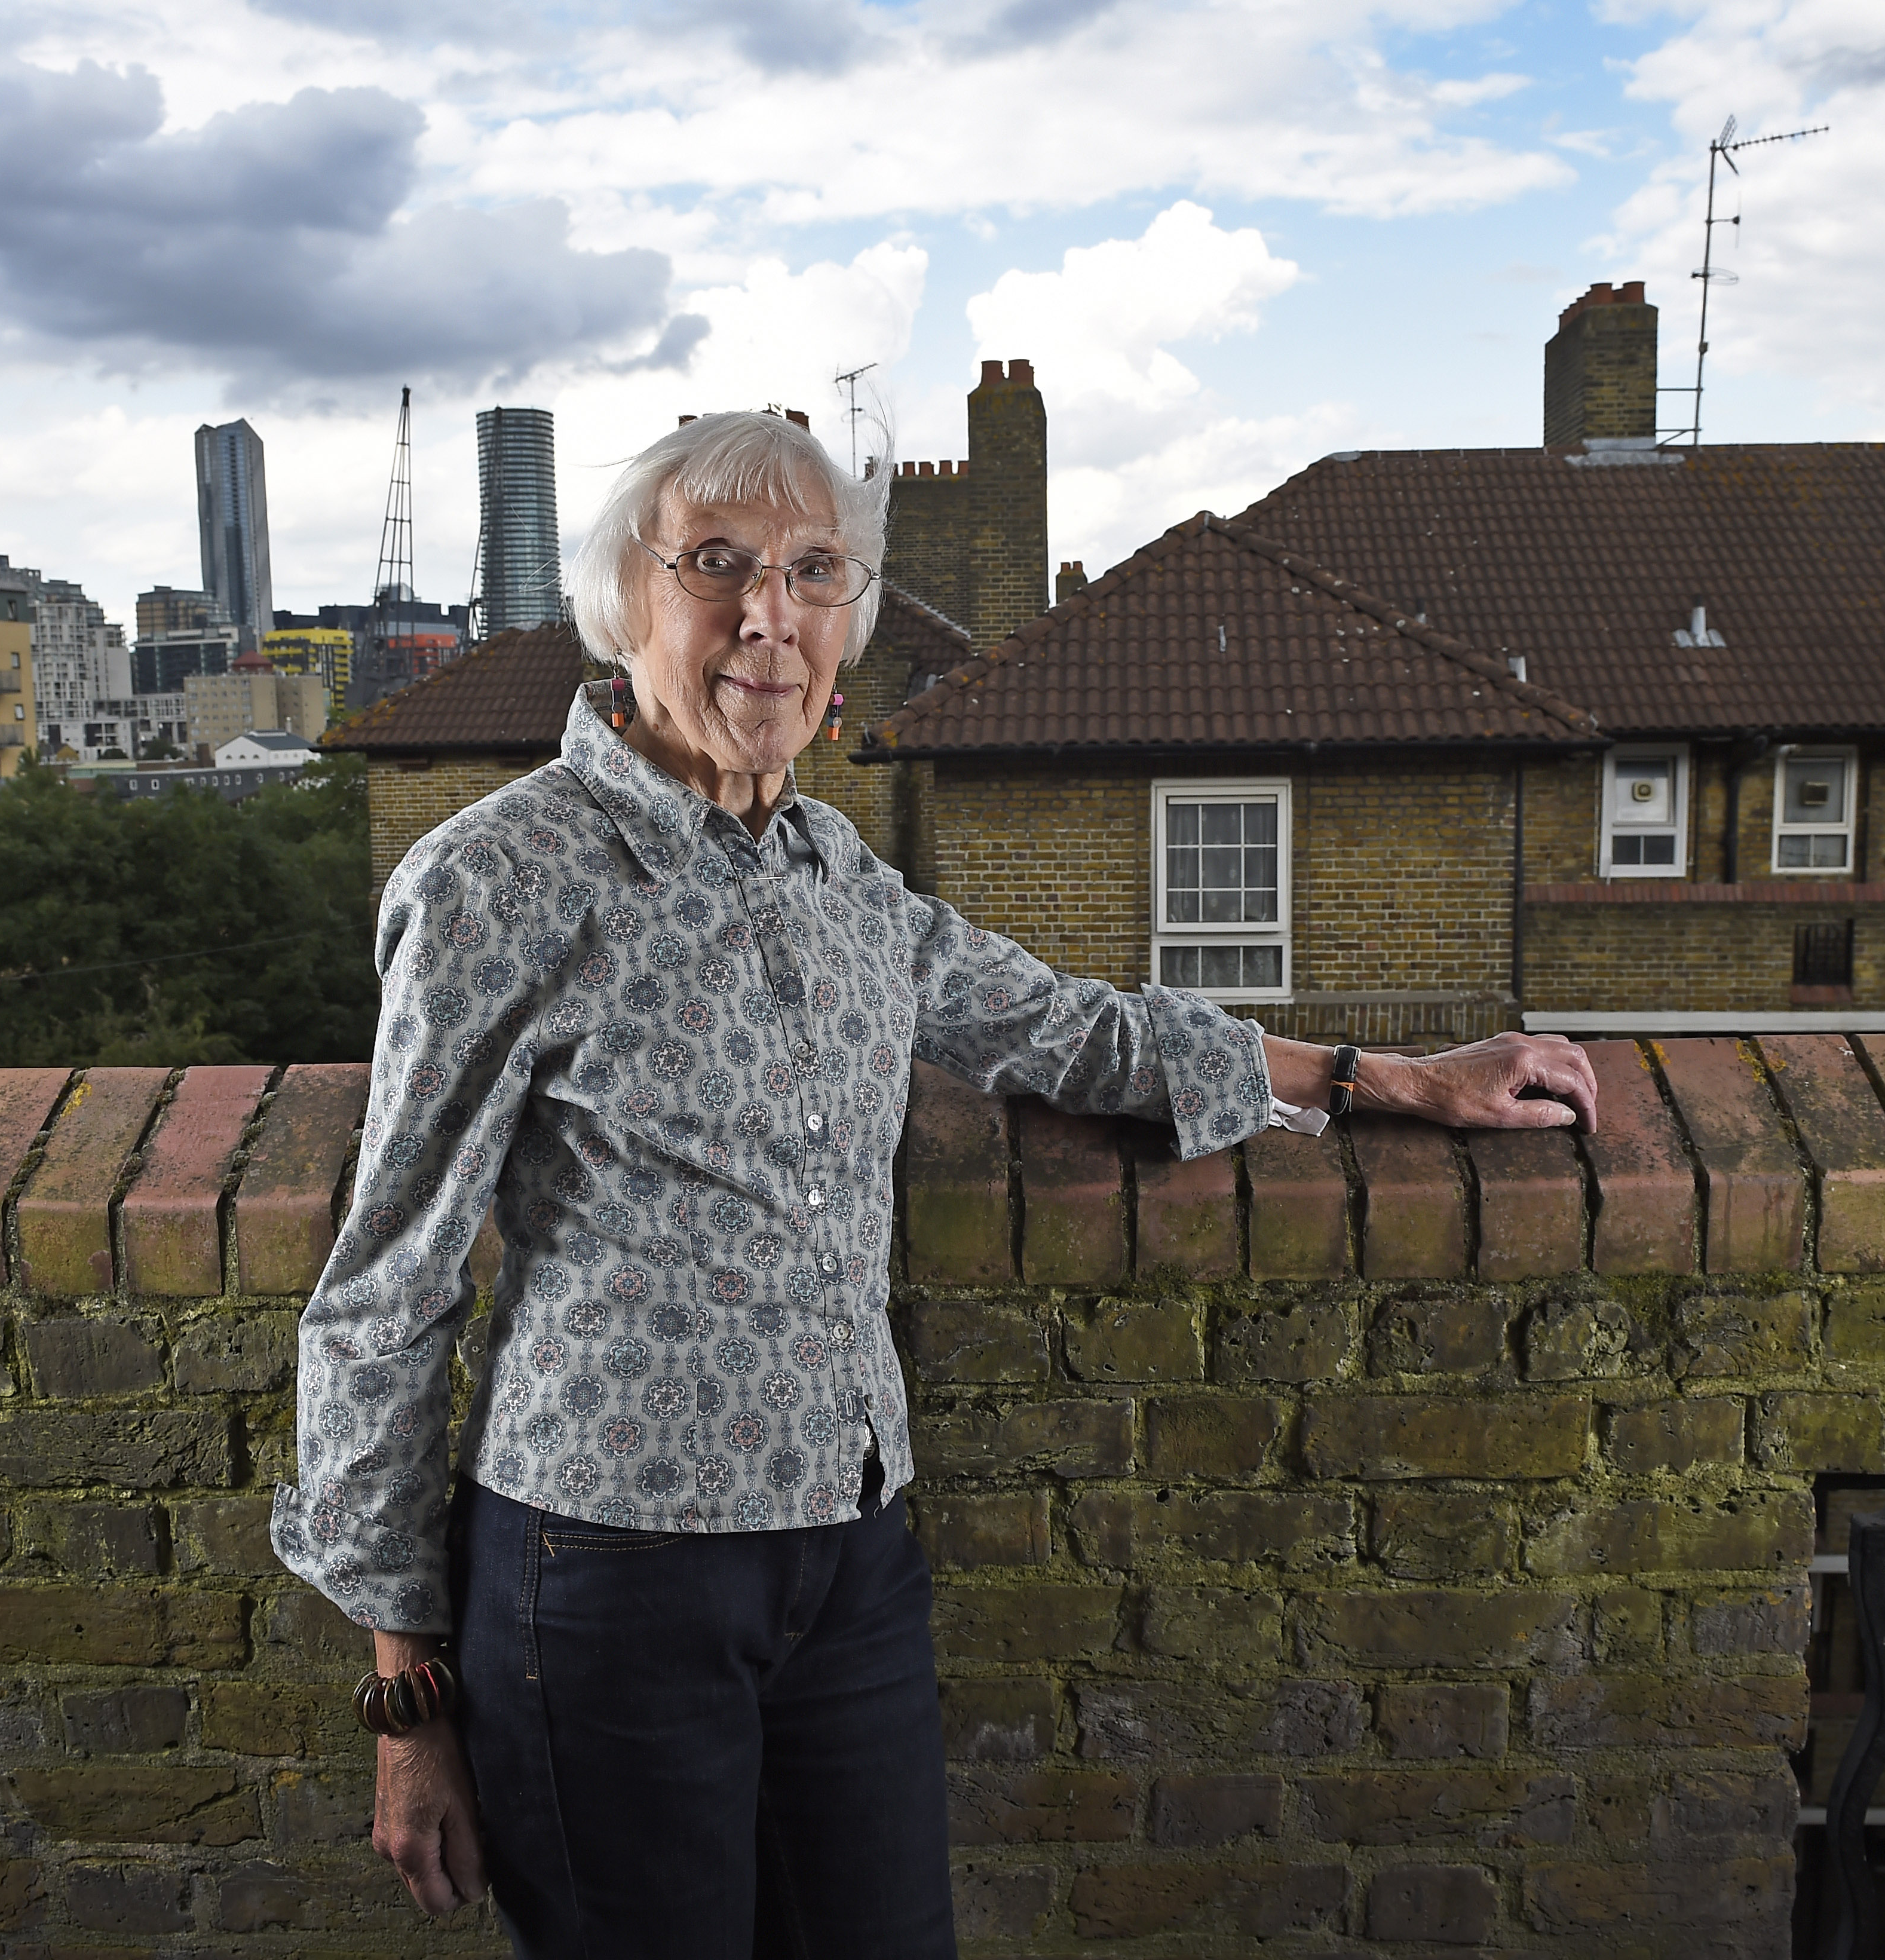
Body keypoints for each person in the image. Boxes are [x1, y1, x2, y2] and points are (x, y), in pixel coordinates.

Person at [272, 410, 1599, 1958]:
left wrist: (1394, 1080)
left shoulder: (844, 880)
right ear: (625, 605)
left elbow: (1075, 1033)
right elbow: (386, 1292)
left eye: (813, 573)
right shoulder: (496, 879)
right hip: (603, 1581)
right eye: (717, 567)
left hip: (850, 1561)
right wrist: (404, 1696)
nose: (767, 616)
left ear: (848, 632)